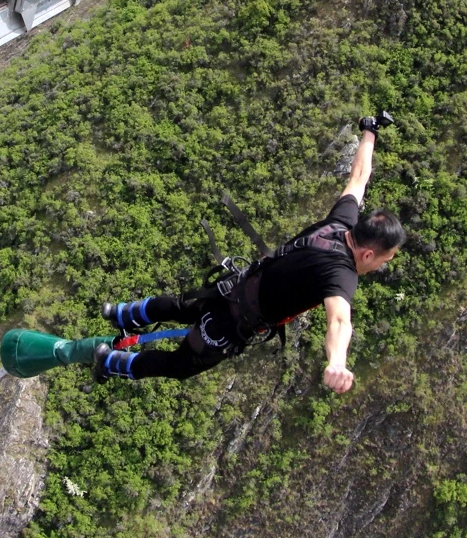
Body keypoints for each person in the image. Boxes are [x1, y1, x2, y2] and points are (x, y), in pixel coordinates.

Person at [95, 114, 405, 389]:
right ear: (367, 255)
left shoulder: (342, 221)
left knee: (181, 305)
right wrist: (336, 362)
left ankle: (121, 313)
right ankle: (110, 362)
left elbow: (358, 179)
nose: (378, 267)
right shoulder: (341, 275)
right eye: (382, 260)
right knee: (180, 366)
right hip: (233, 320)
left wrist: (369, 132)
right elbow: (339, 321)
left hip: (234, 285)